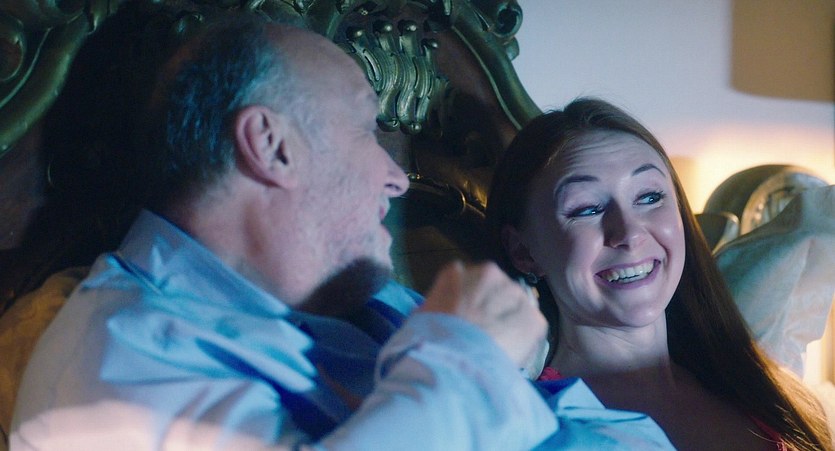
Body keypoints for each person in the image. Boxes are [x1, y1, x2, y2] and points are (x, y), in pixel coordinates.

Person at [9, 13, 678, 450]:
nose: (396, 177)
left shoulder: (373, 301)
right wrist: (465, 356)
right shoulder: (111, 362)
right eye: (364, 128)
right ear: (270, 144)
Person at [486, 97, 832, 451]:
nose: (630, 233)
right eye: (587, 208)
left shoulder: (762, 386)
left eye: (650, 197)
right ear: (523, 251)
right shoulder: (524, 425)